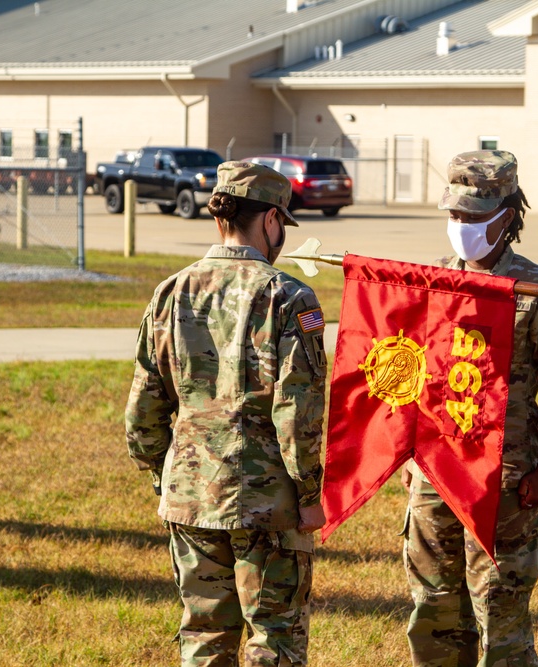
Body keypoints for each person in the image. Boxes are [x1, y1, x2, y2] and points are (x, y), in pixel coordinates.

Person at [125, 161, 328, 667]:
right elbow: (296, 409)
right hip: (269, 501)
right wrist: (309, 493)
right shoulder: (288, 295)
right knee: (275, 638)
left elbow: (145, 406)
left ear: (220, 218)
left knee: (204, 635)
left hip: (190, 492)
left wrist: (162, 475)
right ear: (272, 220)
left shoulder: (170, 292)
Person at [400, 149, 538, 666]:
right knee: (434, 605)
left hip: (506, 478)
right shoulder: (434, 281)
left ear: (506, 217)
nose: (461, 227)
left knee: (499, 612)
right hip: (435, 470)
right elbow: (412, 369)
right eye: (454, 216)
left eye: (474, 217)